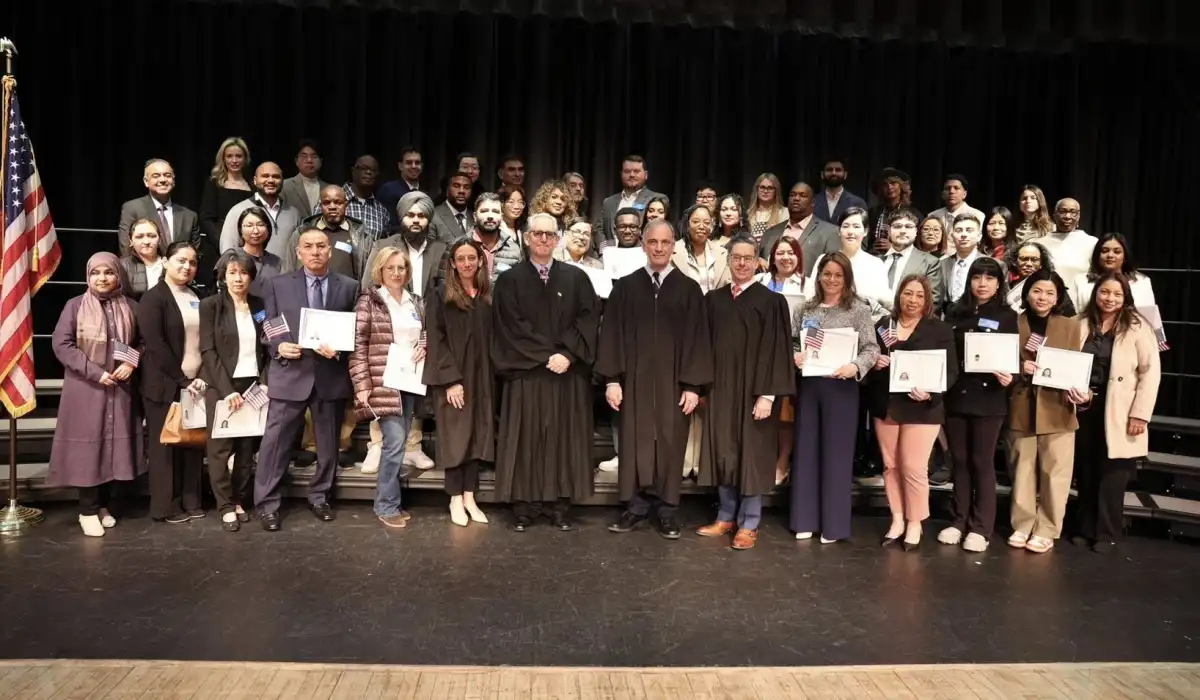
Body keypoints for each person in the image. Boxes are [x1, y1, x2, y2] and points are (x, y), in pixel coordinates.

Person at [597, 220, 713, 539]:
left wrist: (692, 386)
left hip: (674, 384)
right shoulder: (625, 287)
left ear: (674, 245)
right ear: (644, 245)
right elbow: (612, 336)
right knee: (635, 443)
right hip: (633, 382)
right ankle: (634, 507)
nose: (659, 248)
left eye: (665, 242)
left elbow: (698, 340)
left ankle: (667, 510)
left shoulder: (688, 289)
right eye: (653, 242)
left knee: (671, 444)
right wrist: (612, 380)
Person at [492, 213, 599, 531]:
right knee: (526, 439)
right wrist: (546, 356)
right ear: (526, 238)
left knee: (562, 439)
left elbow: (588, 320)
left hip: (566, 373)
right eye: (537, 234)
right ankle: (524, 505)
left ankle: (558, 504)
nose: (543, 239)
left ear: (559, 239)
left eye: (550, 235)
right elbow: (510, 328)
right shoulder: (510, 281)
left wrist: (566, 355)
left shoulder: (577, 278)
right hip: (527, 374)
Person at [254, 227, 359, 531]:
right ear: (298, 252)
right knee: (275, 443)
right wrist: (277, 345)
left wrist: (340, 348)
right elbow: (269, 324)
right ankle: (268, 504)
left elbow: (354, 329)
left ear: (330, 251)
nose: (315, 252)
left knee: (328, 444)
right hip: (290, 372)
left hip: (330, 374)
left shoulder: (349, 286)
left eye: (321, 246)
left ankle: (320, 496)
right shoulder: (276, 284)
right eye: (308, 247)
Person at [696, 237, 793, 550]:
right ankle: (725, 516)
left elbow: (778, 352)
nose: (741, 263)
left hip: (755, 393)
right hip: (721, 390)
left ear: (758, 262)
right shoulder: (713, 300)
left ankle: (749, 522)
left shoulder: (772, 302)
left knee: (752, 454)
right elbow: (702, 349)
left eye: (747, 258)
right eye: (735, 257)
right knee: (724, 451)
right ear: (728, 260)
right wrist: (702, 388)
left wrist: (768, 395)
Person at [48, 253, 144, 537]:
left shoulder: (132, 306)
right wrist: (95, 372)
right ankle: (87, 510)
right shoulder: (75, 305)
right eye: (95, 273)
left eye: (108, 272)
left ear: (118, 276)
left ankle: (105, 505)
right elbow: (62, 344)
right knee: (88, 449)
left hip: (121, 388)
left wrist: (131, 362)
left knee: (114, 448)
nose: (102, 278)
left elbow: (143, 341)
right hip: (86, 389)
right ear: (88, 276)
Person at [790, 252, 880, 543]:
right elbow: (793, 341)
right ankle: (805, 518)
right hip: (810, 387)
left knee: (837, 456)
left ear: (847, 278)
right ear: (818, 277)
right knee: (806, 452)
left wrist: (855, 367)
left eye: (837, 275)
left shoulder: (858, 309)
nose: (831, 279)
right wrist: (795, 355)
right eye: (826, 274)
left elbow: (871, 349)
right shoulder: (807, 309)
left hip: (841, 389)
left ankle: (833, 524)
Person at [866, 275, 958, 551]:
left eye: (919, 295)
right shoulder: (884, 325)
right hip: (887, 405)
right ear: (899, 296)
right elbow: (868, 359)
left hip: (923, 407)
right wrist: (875, 362)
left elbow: (951, 371)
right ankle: (896, 519)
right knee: (891, 466)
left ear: (927, 300)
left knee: (914, 467)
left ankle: (915, 521)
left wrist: (932, 392)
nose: (913, 300)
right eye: (908, 293)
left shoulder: (938, 329)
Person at [1072, 272, 1161, 553]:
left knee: (1113, 477)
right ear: (1095, 293)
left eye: (1117, 294)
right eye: (1104, 292)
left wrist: (1140, 414)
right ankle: (1084, 528)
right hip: (1082, 406)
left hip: (1121, 411)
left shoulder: (1138, 326)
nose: (1109, 298)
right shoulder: (1079, 322)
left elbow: (1151, 374)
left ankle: (1107, 533)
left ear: (1125, 298)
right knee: (1085, 472)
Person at [939, 257, 1017, 553]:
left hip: (989, 398)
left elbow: (1014, 360)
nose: (982, 283)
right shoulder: (955, 312)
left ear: (999, 283)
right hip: (956, 396)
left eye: (989, 278)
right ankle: (958, 520)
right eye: (977, 277)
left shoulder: (1007, 316)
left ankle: (981, 527)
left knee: (981, 461)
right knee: (958, 460)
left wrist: (1012, 375)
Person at [1007, 268, 1082, 554]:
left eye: (1050, 292)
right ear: (1026, 293)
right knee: (1022, 469)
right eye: (1037, 290)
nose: (1043, 297)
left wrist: (1079, 390)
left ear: (1058, 297)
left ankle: (1048, 528)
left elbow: (1079, 365)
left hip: (1058, 407)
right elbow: (1000, 358)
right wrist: (1019, 367)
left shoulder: (1071, 326)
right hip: (1021, 404)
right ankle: (1023, 523)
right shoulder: (1014, 322)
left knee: (1056, 473)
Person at [350, 246, 426, 528]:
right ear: (379, 271)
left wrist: (425, 345)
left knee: (400, 443)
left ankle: (390, 500)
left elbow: (425, 333)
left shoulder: (416, 301)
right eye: (390, 268)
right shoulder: (369, 301)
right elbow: (358, 345)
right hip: (383, 381)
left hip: (410, 381)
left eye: (401, 268)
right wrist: (362, 383)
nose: (396, 273)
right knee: (394, 444)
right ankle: (386, 505)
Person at [423, 239, 496, 526]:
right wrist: (451, 380)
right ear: (452, 263)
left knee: (477, 436)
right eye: (461, 259)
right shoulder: (441, 295)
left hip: (483, 377)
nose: (466, 263)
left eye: (471, 258)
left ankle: (470, 497)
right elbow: (437, 341)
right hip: (454, 378)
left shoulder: (488, 296)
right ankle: (455, 499)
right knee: (456, 438)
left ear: (480, 261)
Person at [137, 241, 207, 524]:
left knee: (191, 444)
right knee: (164, 446)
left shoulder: (197, 295)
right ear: (165, 262)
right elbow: (156, 345)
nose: (186, 267)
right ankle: (165, 506)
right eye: (180, 260)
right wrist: (181, 380)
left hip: (195, 384)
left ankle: (191, 499)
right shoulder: (153, 298)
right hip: (164, 384)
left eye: (191, 262)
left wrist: (201, 377)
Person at [199, 250, 269, 532]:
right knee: (219, 450)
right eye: (232, 273)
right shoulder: (210, 305)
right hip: (222, 387)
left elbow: (268, 346)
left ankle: (239, 499)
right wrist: (227, 391)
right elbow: (208, 350)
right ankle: (225, 505)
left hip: (252, 385)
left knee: (246, 450)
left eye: (243, 273)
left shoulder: (260, 305)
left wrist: (264, 381)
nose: (238, 278)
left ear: (251, 276)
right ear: (222, 277)